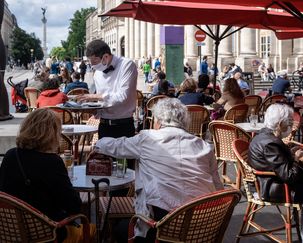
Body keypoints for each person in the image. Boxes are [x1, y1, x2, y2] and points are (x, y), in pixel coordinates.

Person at [92, 98, 224, 242]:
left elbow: (114, 145)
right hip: (205, 227)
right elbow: (218, 188)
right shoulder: (204, 146)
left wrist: (97, 144)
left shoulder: (147, 139)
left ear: (159, 121)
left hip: (164, 228)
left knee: (119, 230)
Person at [249, 103, 303, 243]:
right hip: (277, 189)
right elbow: (289, 175)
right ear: (280, 123)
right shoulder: (271, 143)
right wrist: (296, 158)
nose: (290, 125)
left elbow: (278, 164)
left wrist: (290, 153)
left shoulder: (262, 136)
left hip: (273, 183)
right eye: (288, 122)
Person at [0, 108, 81, 241]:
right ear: (52, 134)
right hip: (47, 232)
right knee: (85, 224)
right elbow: (74, 206)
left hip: (10, 231)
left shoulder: (11, 155)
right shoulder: (52, 162)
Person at [77, 39, 137, 141]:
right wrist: (92, 109)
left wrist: (96, 96)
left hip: (123, 124)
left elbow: (123, 96)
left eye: (94, 61)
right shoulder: (97, 73)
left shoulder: (127, 65)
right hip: (104, 125)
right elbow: (103, 103)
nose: (92, 65)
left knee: (124, 156)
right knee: (103, 157)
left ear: (105, 57)